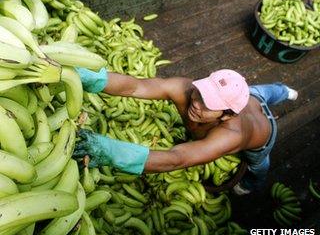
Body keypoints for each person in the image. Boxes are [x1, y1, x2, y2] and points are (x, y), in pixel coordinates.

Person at [73, 68, 298, 195]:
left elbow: (177, 158)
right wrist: (96, 79)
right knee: (259, 93)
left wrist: (111, 151)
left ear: (226, 115)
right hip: (250, 96)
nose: (197, 103)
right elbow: (136, 86)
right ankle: (282, 90)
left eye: (208, 104)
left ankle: (252, 183)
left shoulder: (231, 135)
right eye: (201, 93)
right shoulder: (189, 89)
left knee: (260, 165)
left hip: (263, 133)